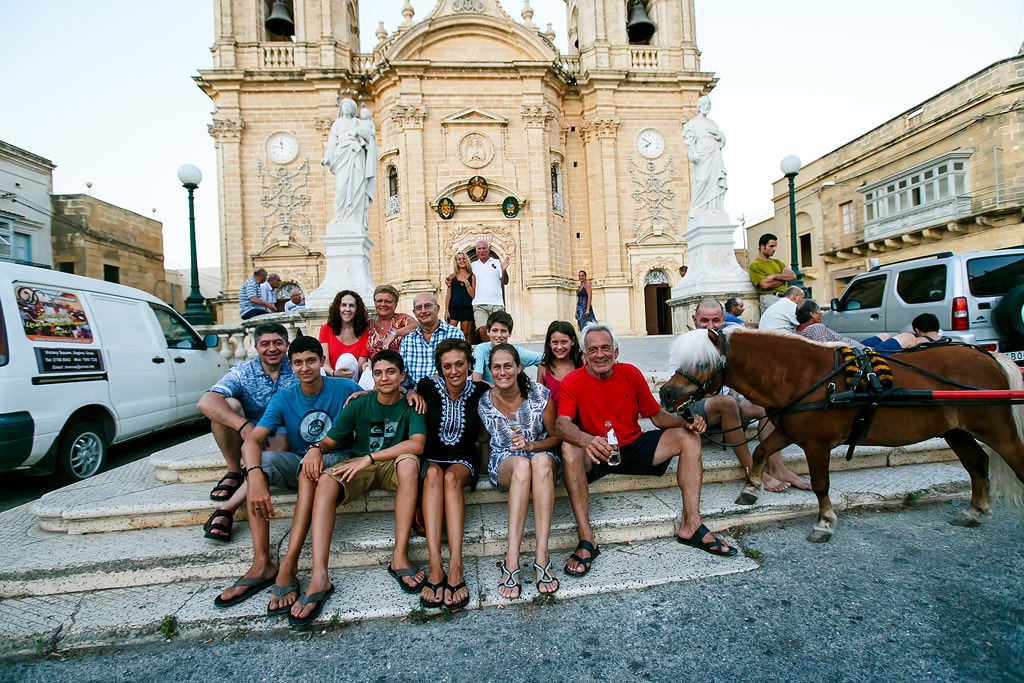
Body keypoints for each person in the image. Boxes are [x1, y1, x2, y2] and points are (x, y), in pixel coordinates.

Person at [557, 323, 736, 577]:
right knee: (569, 447)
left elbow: (659, 418)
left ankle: (691, 524)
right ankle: (587, 540)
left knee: (688, 438)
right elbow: (562, 424)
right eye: (593, 349)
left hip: (632, 445)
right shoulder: (572, 381)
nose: (600, 355)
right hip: (597, 451)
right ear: (584, 355)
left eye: (606, 348)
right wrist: (586, 440)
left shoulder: (630, 373)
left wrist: (687, 422)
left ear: (616, 352)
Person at [213, 336, 361, 614]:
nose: (305, 368)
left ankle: (289, 565)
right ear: (291, 366)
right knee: (264, 461)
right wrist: (254, 475)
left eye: (311, 361)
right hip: (300, 462)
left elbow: (378, 398)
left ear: (322, 362)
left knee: (310, 461)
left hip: (336, 461)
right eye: (298, 363)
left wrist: (369, 394)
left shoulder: (344, 388)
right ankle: (262, 563)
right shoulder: (283, 398)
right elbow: (253, 441)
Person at [288, 351, 426, 625]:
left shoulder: (412, 405)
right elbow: (329, 440)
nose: (384, 378)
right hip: (360, 466)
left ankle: (399, 557)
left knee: (410, 462)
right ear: (371, 377)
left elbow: (417, 444)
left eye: (390, 372)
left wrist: (370, 457)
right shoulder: (358, 404)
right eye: (378, 373)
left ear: (402, 375)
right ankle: (319, 576)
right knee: (326, 480)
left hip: (389, 465)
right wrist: (315, 450)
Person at [684, 299, 811, 493]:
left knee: (765, 404)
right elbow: (682, 393)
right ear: (694, 319)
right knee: (726, 403)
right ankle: (752, 470)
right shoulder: (687, 345)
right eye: (704, 321)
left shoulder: (727, 342)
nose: (710, 326)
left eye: (716, 320)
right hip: (696, 408)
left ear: (723, 319)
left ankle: (778, 467)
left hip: (730, 403)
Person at [197, 322, 298, 538]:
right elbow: (206, 402)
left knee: (281, 442)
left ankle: (226, 509)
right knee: (227, 405)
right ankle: (234, 471)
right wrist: (243, 426)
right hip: (247, 432)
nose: (272, 349)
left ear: (287, 345)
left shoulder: (297, 368)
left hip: (281, 434)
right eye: (265, 344)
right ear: (255, 347)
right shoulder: (243, 371)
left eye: (278, 343)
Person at [478, 344, 562, 599]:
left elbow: (556, 436)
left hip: (542, 455)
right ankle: (511, 559)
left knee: (538, 462)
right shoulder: (484, 402)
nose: (502, 372)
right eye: (496, 367)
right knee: (523, 465)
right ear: (490, 371)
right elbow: (484, 440)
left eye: (507, 366)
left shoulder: (539, 394)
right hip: (506, 462)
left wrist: (532, 445)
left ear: (518, 367)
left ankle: (541, 555)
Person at [416, 339, 489, 610]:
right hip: (432, 456)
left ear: (470, 364)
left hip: (462, 459)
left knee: (449, 479)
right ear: (440, 368)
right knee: (434, 476)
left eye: (460, 364)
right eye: (447, 366)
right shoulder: (426, 387)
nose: (454, 371)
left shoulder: (481, 390)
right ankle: (435, 566)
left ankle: (455, 566)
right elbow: (399, 393)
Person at [322, 97, 374, 228]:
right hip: (341, 156)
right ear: (341, 109)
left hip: (356, 155)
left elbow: (369, 138)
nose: (346, 108)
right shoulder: (337, 124)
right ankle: (340, 217)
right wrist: (327, 157)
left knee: (357, 186)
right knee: (341, 187)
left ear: (352, 110)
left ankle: (354, 217)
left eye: (349, 107)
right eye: (344, 106)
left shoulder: (357, 122)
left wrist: (360, 134)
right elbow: (331, 144)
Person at [398, 292, 465, 387]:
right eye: (418, 308)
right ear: (414, 313)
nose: (423, 311)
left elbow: (459, 368)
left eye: (428, 306)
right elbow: (401, 374)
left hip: (447, 391)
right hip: (416, 396)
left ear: (437, 309)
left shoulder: (454, 334)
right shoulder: (407, 341)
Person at [794, 299, 911, 351]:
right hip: (863, 354)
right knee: (908, 337)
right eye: (819, 311)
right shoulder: (816, 328)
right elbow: (825, 351)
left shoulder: (797, 331)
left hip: (857, 347)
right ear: (812, 314)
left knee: (885, 335)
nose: (821, 314)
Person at [682, 95, 727, 214]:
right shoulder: (692, 123)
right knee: (702, 180)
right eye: (704, 104)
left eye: (708, 104)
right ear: (699, 107)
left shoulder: (712, 123)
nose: (706, 107)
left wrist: (719, 135)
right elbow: (689, 140)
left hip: (714, 154)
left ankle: (714, 207)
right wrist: (692, 153)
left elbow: (721, 138)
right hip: (702, 154)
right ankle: (697, 208)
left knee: (714, 181)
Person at [471, 311, 543, 384]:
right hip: (487, 393)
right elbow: (476, 381)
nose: (499, 335)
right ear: (488, 332)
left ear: (510, 333)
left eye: (503, 331)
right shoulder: (481, 349)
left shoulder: (517, 352)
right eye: (495, 330)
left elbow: (545, 358)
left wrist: (541, 383)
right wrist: (498, 390)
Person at [318, 290, 370, 385]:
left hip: (352, 379)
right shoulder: (325, 329)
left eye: (351, 306)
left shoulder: (364, 332)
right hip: (330, 377)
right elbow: (324, 363)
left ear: (357, 309)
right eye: (343, 305)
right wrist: (334, 373)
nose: (347, 309)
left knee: (348, 359)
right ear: (338, 308)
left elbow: (359, 367)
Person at [535, 320, 585, 408]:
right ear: (549, 343)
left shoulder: (582, 362)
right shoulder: (543, 367)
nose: (559, 347)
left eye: (564, 342)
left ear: (572, 341)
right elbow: (539, 400)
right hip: (553, 420)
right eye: (555, 342)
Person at [470, 240, 511, 342]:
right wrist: (449, 279)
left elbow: (505, 281)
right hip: (479, 304)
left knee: (500, 330)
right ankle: (491, 352)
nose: (482, 251)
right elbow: (460, 272)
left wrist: (504, 270)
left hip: (496, 304)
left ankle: (501, 351)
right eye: (479, 249)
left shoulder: (496, 263)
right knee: (482, 330)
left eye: (484, 248)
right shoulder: (473, 265)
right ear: (476, 251)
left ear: (488, 250)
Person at [366, 284, 418, 359]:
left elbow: (417, 326)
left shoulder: (402, 320)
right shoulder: (369, 324)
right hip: (375, 368)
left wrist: (395, 333)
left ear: (395, 305)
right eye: (379, 301)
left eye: (388, 302)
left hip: (399, 368)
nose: (383, 304)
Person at [749, 234, 796, 313]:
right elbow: (764, 285)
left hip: (783, 297)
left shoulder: (777, 262)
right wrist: (783, 278)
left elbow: (793, 276)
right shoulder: (755, 265)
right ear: (762, 246)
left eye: (775, 246)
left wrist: (774, 276)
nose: (774, 249)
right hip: (769, 299)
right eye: (771, 246)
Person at [445, 253, 476, 340]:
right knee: (450, 333)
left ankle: (466, 352)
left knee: (465, 334)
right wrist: (446, 310)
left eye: (463, 258)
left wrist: (466, 282)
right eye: (459, 259)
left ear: (467, 260)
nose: (462, 260)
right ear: (456, 262)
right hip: (453, 308)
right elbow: (448, 294)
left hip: (466, 308)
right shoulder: (451, 277)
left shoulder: (472, 276)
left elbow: (473, 295)